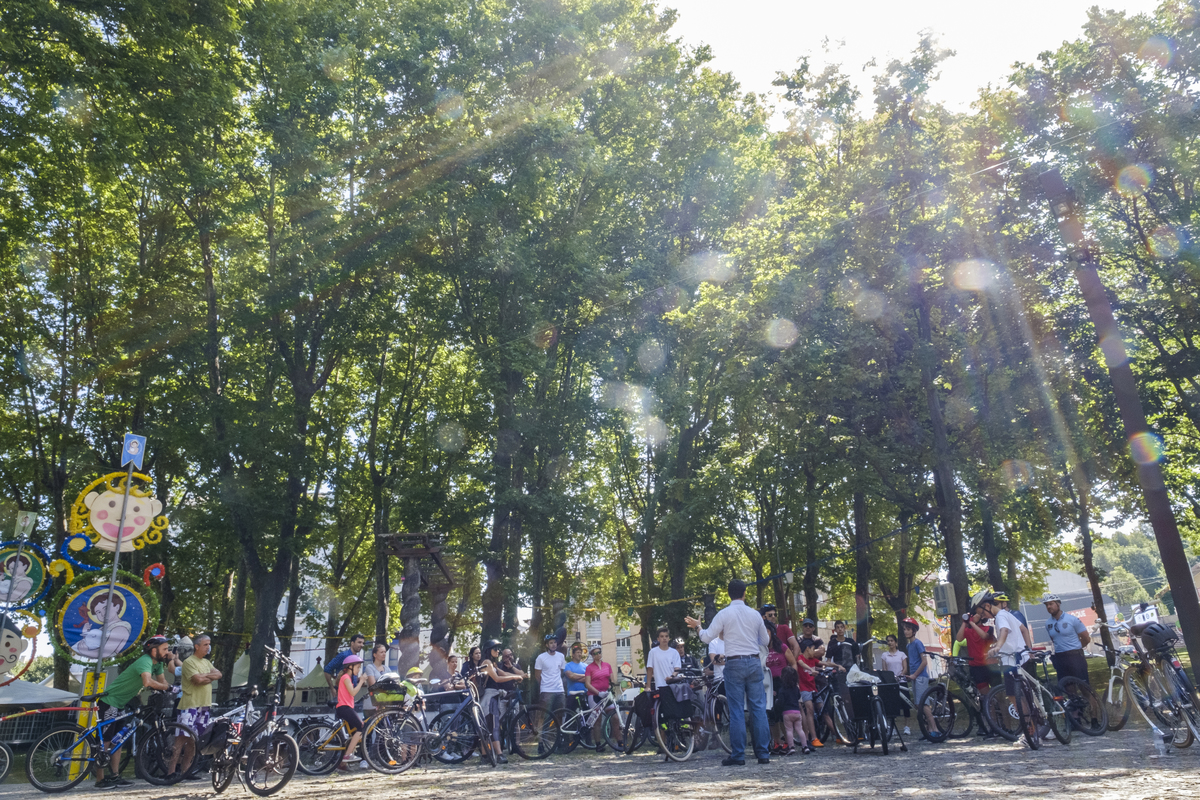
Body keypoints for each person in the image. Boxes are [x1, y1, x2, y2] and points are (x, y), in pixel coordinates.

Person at [685, 578, 772, 766]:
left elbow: (707, 638)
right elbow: (764, 641)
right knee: (758, 708)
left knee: (736, 710)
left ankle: (738, 755)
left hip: (733, 663)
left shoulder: (724, 614)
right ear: (745, 593)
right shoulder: (755, 615)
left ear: (728, 593)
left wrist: (698, 627)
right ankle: (763, 753)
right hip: (754, 662)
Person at [94, 635, 172, 789]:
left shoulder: (156, 664)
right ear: (153, 650)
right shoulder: (145, 661)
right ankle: (99, 779)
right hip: (110, 701)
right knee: (106, 740)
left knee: (118, 740)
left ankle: (115, 776)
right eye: (165, 649)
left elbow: (163, 683)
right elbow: (147, 682)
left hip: (121, 703)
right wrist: (167, 688)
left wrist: (170, 685)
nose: (167, 652)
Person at [168, 634, 221, 779]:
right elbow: (197, 679)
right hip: (190, 705)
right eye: (205, 644)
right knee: (181, 738)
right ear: (196, 646)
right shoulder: (189, 662)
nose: (208, 647)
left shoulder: (206, 662)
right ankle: (171, 771)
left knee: (194, 739)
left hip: (204, 706)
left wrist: (205, 677)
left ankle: (186, 771)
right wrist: (207, 677)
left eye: (209, 644)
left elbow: (219, 674)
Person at [478, 639, 522, 763]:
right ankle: (499, 754)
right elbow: (497, 679)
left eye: (498, 649)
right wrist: (514, 677)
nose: (498, 651)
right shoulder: (486, 662)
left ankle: (485, 755)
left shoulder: (493, 664)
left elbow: (503, 673)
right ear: (488, 650)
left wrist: (519, 676)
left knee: (488, 726)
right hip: (489, 697)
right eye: (495, 649)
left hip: (493, 696)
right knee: (494, 725)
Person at [901, 617, 939, 739]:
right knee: (918, 705)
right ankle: (927, 730)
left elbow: (924, 661)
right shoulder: (908, 646)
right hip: (914, 678)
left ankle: (935, 729)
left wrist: (915, 675)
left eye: (908, 629)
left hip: (921, 677)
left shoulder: (918, 643)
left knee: (924, 704)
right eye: (904, 629)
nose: (906, 631)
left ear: (914, 631)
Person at [819, 620, 856, 738]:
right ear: (835, 630)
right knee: (842, 700)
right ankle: (848, 729)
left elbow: (857, 657)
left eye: (842, 627)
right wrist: (830, 669)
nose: (840, 629)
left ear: (844, 629)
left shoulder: (851, 642)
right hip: (839, 674)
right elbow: (828, 659)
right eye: (838, 627)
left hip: (852, 672)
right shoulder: (832, 643)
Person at [1043, 594, 1091, 683]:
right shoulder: (1048, 623)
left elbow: (1086, 638)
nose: (1049, 607)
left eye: (1051, 604)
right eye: (1046, 605)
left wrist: (1076, 647)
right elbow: (1054, 640)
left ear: (1058, 604)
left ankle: (1090, 697)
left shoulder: (1072, 619)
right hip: (1060, 658)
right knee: (1068, 688)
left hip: (1075, 656)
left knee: (1084, 687)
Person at [334, 654, 365, 771]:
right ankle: (347, 755)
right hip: (345, 708)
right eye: (357, 667)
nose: (359, 670)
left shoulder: (347, 678)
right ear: (350, 667)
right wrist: (361, 681)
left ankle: (342, 763)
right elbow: (352, 692)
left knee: (354, 734)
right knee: (361, 726)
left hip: (347, 707)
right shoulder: (346, 677)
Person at [879, 634, 910, 734]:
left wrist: (900, 675)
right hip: (890, 683)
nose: (890, 643)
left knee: (905, 704)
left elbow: (905, 668)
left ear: (896, 643)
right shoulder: (884, 655)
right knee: (892, 705)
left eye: (892, 641)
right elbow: (884, 669)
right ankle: (893, 727)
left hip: (901, 681)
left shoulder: (902, 654)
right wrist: (889, 678)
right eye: (888, 641)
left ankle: (907, 726)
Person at [776, 665, 809, 754]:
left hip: (787, 712)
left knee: (789, 730)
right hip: (797, 712)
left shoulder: (782, 689)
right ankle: (805, 746)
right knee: (800, 729)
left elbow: (781, 701)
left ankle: (791, 747)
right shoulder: (796, 688)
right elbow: (798, 697)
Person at [534, 635, 567, 716]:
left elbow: (561, 671)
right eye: (551, 643)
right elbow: (537, 676)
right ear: (547, 645)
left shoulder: (561, 656)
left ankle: (558, 729)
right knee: (543, 715)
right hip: (546, 690)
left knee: (560, 714)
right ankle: (539, 729)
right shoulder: (541, 657)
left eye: (555, 642)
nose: (553, 644)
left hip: (559, 690)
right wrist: (545, 684)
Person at [796, 639, 821, 747]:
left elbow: (824, 663)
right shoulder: (800, 658)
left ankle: (838, 735)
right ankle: (813, 738)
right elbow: (800, 664)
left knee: (822, 708)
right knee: (809, 709)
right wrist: (811, 670)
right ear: (807, 649)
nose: (814, 651)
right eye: (813, 649)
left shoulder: (813, 659)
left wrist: (837, 666)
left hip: (814, 688)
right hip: (804, 688)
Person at [361, 643, 389, 712]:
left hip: (384, 704)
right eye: (381, 652)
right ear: (375, 655)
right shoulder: (370, 667)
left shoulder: (387, 669)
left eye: (385, 652)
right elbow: (373, 685)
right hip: (371, 705)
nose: (384, 654)